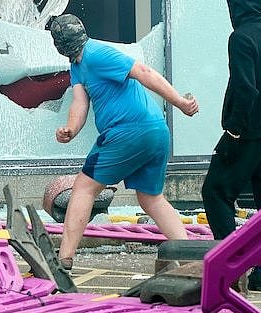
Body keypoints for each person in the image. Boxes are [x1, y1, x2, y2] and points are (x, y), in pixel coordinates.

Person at [48, 14, 199, 272]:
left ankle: (63, 260)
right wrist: (71, 129)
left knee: (84, 188)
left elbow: (143, 72)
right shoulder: (78, 66)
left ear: (59, 44)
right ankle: (191, 262)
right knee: (151, 198)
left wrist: (180, 103)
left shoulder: (96, 53)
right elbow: (80, 103)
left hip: (128, 131)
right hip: (155, 132)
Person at [200, 0, 261, 292]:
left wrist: (234, 131)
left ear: (237, 5)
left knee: (216, 191)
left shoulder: (240, 38)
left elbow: (245, 87)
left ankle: (230, 260)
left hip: (249, 132)